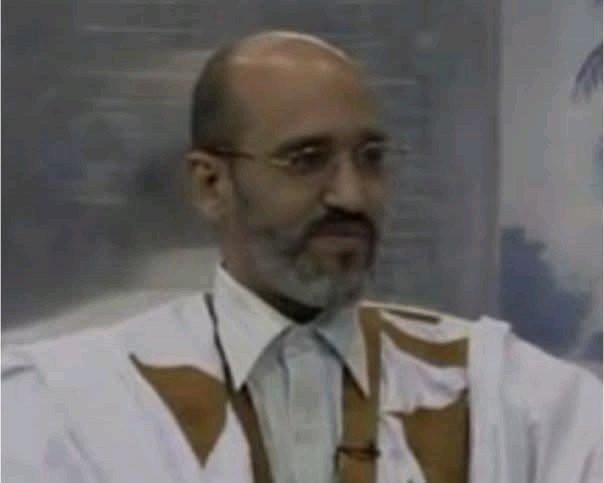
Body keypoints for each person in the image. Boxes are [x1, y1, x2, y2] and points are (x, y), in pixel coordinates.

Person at [2, 31, 601, 483]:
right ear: (210, 184)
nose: (352, 196)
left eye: (370, 158)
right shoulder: (73, 406)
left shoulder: (512, 399)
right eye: (306, 160)